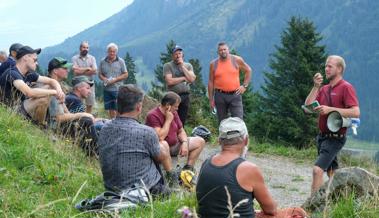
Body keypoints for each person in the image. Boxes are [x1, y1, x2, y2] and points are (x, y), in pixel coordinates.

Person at [196, 117, 308, 218]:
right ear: (245, 140)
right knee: (296, 213)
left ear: (220, 140)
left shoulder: (206, 162)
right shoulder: (248, 169)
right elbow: (271, 210)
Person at [98, 84, 171, 196]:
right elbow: (160, 158)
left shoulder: (104, 128)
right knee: (158, 151)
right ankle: (171, 180)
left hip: (111, 189)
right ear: (139, 107)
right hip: (144, 191)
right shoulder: (146, 132)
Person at [305, 55, 360, 194]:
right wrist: (315, 87)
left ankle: (312, 208)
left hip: (335, 137)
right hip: (322, 137)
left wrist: (331, 110)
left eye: (330, 66)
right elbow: (308, 107)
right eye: (325, 66)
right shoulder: (323, 89)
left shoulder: (346, 87)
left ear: (340, 69)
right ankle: (344, 201)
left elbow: (356, 112)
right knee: (332, 173)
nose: (326, 69)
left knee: (317, 170)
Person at [0, 46, 65, 125]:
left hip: (21, 106)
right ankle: (39, 126)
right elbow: (29, 93)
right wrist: (55, 92)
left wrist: (59, 90)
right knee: (42, 99)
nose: (37, 63)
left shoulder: (29, 74)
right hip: (9, 110)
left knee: (49, 86)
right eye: (35, 60)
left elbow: (52, 81)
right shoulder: (12, 73)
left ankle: (41, 123)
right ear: (25, 58)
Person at [47, 57, 98, 155]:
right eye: (64, 68)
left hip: (57, 126)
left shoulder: (58, 86)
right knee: (87, 121)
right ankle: (95, 154)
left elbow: (66, 112)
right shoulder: (52, 88)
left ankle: (92, 153)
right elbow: (58, 118)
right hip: (52, 128)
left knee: (87, 121)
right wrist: (82, 115)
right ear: (55, 71)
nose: (68, 70)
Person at [145, 92, 205, 173]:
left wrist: (184, 142)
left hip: (174, 145)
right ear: (167, 105)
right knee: (163, 143)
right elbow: (160, 137)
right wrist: (168, 120)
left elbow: (181, 130)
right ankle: (170, 175)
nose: (177, 109)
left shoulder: (174, 113)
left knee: (200, 141)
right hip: (161, 148)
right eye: (176, 106)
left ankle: (188, 169)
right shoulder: (152, 115)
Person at [208, 42, 252, 123]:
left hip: (235, 94)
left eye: (225, 49)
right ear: (218, 52)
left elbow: (248, 70)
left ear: (228, 50)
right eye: (220, 50)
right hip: (219, 95)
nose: (223, 51)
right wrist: (211, 100)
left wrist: (244, 86)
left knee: (239, 121)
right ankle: (224, 136)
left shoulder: (236, 60)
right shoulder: (213, 64)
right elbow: (210, 82)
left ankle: (242, 136)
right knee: (222, 122)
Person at [163, 45, 196, 125]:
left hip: (185, 96)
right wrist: (184, 78)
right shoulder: (168, 66)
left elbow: (191, 79)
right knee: (171, 117)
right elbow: (169, 81)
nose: (178, 56)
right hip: (173, 96)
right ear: (172, 56)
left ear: (182, 55)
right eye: (176, 54)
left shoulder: (188, 65)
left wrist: (182, 66)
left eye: (179, 53)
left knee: (182, 118)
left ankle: (180, 134)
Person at [99, 43, 128, 118]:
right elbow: (99, 74)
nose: (112, 53)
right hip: (107, 89)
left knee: (118, 108)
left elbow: (125, 74)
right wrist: (104, 79)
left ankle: (119, 122)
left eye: (113, 51)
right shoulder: (102, 61)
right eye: (110, 51)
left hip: (118, 89)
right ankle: (112, 122)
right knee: (110, 108)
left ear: (116, 52)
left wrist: (115, 79)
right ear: (107, 52)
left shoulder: (121, 61)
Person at [71, 41, 97, 113]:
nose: (85, 49)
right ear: (80, 48)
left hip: (90, 84)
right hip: (78, 84)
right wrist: (87, 68)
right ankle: (79, 119)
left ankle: (88, 118)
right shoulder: (74, 58)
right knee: (78, 102)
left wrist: (80, 70)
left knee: (90, 103)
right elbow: (75, 71)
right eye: (84, 47)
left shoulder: (92, 58)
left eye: (87, 47)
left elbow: (94, 71)